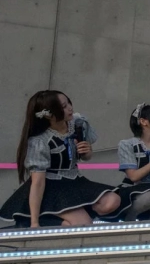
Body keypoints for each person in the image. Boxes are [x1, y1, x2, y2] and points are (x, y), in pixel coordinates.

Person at [0, 90, 120, 228]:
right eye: (63, 106)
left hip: (75, 181)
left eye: (68, 102)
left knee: (112, 201)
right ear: (49, 115)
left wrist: (87, 151)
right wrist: (34, 223)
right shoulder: (40, 141)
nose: (70, 108)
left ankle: (73, 212)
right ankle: (34, 219)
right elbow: (38, 182)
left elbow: (86, 157)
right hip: (52, 187)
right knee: (83, 224)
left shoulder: (78, 123)